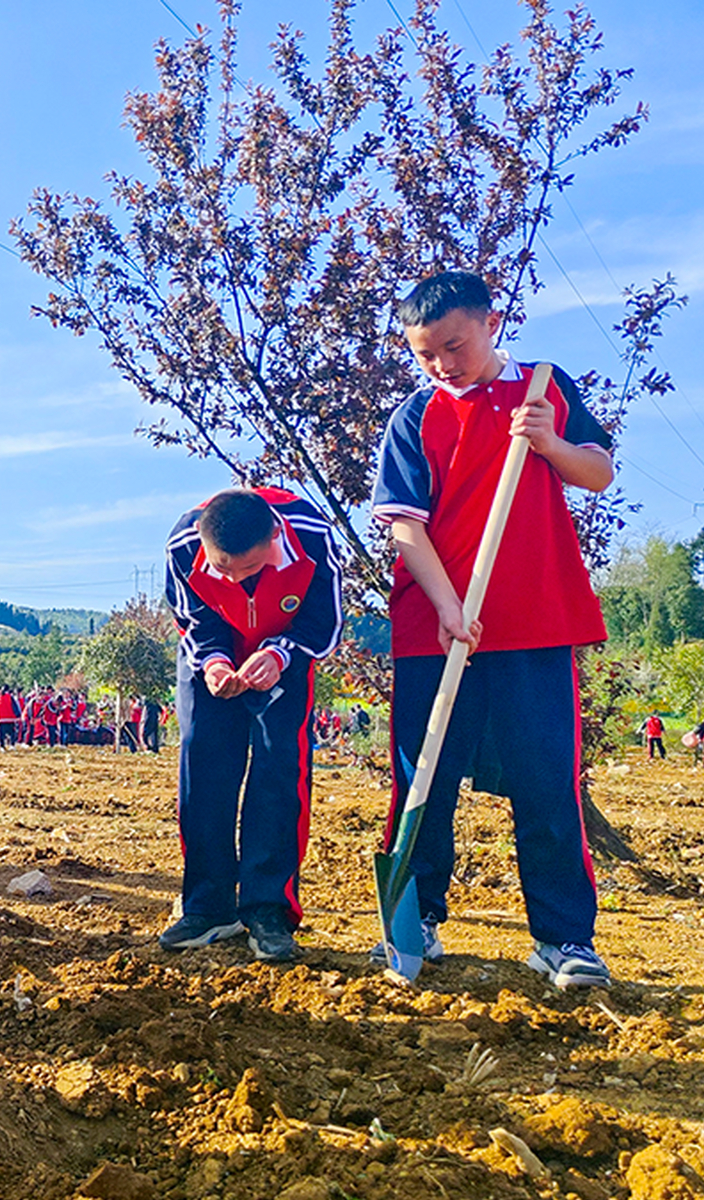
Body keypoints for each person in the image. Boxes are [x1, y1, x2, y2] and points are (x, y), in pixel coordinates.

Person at [371, 269, 615, 989]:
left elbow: (597, 472)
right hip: (435, 626)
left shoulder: (542, 386)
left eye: (455, 344)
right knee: (424, 778)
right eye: (426, 354)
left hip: (535, 617)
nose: (444, 363)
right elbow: (404, 528)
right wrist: (448, 606)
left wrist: (549, 443)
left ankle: (564, 938)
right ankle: (417, 916)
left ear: (491, 321)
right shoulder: (414, 417)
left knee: (546, 778)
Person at [162, 487, 342, 964]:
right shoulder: (182, 545)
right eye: (223, 569)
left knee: (278, 768)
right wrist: (215, 661)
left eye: (251, 570)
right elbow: (192, 617)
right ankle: (208, 906)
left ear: (273, 539)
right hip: (211, 660)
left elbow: (324, 622)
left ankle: (269, 909)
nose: (236, 580)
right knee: (203, 766)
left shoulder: (313, 536)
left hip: (284, 654)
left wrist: (279, 652)